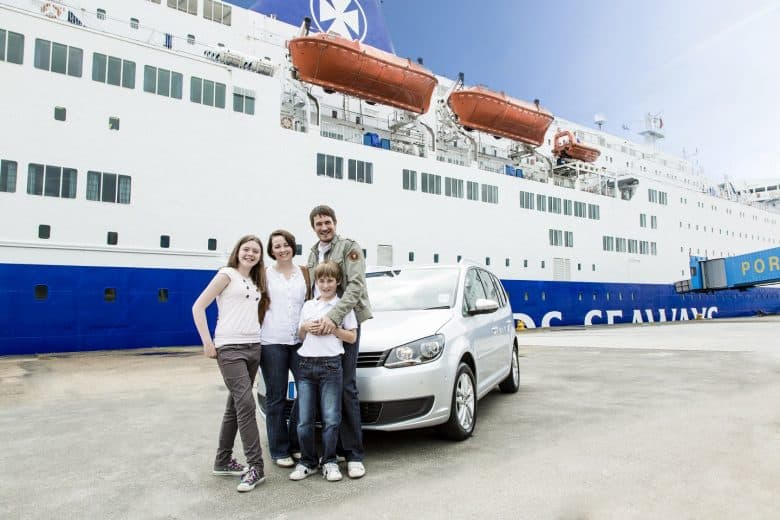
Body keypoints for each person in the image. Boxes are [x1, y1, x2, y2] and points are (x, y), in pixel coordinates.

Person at [192, 234, 267, 493]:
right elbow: (198, 307)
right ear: (238, 251)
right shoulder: (227, 274)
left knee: (234, 407)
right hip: (230, 348)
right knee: (246, 404)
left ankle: (222, 461)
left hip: (253, 347)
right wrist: (207, 342)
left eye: (255, 251)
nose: (250, 254)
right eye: (246, 249)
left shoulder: (254, 280)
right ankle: (256, 466)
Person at [306, 205, 372, 479]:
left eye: (327, 222)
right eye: (318, 223)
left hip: (344, 323)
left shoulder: (349, 247)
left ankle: (354, 455)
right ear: (313, 227)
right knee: (323, 388)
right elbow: (312, 290)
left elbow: (355, 286)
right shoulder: (312, 253)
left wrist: (333, 317)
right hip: (318, 329)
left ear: (335, 222)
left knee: (346, 387)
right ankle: (325, 454)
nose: (323, 227)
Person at [289, 261, 357, 482]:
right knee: (304, 419)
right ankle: (307, 462)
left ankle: (329, 461)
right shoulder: (309, 306)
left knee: (331, 418)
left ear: (337, 282)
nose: (326, 285)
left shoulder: (342, 306)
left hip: (331, 366)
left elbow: (352, 337)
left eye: (330, 280)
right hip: (306, 366)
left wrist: (333, 328)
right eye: (321, 281)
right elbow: (299, 336)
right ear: (316, 282)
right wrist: (305, 328)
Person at [259, 229, 311, 468]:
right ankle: (279, 450)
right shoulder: (264, 274)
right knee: (276, 397)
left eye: (285, 244)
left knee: (307, 391)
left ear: (293, 246)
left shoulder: (304, 273)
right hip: (272, 341)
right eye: (276, 246)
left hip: (301, 341)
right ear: (271, 251)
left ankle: (295, 441)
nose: (282, 249)